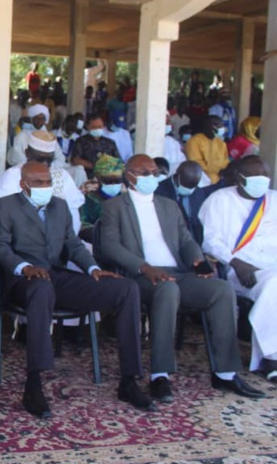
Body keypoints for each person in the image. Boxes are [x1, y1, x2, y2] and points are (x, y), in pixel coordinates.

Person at [0, 161, 150, 418]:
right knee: (41, 288)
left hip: (55, 276)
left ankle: (129, 380)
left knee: (126, 288)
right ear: (23, 185)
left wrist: (93, 269)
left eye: (48, 182)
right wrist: (25, 267)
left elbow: (73, 246)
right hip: (22, 281)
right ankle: (34, 385)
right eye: (39, 183)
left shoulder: (60, 206)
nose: (46, 187)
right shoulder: (6, 206)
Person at [100, 154, 262, 402]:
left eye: (154, 172)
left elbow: (186, 240)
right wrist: (145, 268)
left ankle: (226, 373)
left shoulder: (168, 205)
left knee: (221, 290)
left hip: (178, 272)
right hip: (141, 276)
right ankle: (160, 375)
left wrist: (197, 261)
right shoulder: (115, 207)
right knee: (168, 290)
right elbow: (110, 246)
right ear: (129, 176)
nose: (151, 177)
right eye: (144, 173)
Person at [199, 155, 277, 382]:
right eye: (255, 176)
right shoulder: (219, 200)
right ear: (238, 178)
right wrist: (235, 262)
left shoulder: (274, 199)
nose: (261, 180)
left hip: (272, 267)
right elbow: (210, 242)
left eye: (265, 175)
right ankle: (271, 357)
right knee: (274, 284)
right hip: (240, 272)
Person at [0, 130, 85, 234]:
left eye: (49, 160)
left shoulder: (63, 176)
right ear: (27, 153)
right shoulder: (12, 176)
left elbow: (73, 214)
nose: (45, 165)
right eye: (40, 159)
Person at [155, 161, 207, 244]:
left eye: (193, 185)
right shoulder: (159, 192)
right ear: (178, 174)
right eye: (187, 184)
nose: (190, 189)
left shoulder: (199, 193)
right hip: (169, 241)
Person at [80, 154, 125, 242]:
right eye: (108, 181)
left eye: (117, 181)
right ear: (99, 179)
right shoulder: (89, 200)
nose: (113, 184)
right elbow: (83, 227)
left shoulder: (127, 200)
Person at [185, 116, 229, 184]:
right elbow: (195, 162)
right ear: (210, 126)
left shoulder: (220, 142)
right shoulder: (194, 141)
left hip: (218, 180)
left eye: (222, 125)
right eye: (219, 125)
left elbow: (225, 160)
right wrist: (216, 170)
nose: (222, 127)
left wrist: (225, 170)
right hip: (201, 180)